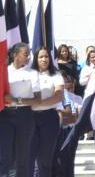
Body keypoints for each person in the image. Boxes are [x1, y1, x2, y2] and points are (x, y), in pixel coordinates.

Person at [0, 43, 46, 177]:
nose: (29, 57)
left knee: (23, 157)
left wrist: (16, 100)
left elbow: (37, 100)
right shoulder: (4, 71)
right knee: (4, 155)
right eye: (25, 54)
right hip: (4, 116)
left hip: (25, 116)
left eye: (29, 54)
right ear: (15, 55)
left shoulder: (32, 73)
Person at [30, 46, 64, 176]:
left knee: (45, 159)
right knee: (28, 157)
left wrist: (38, 102)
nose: (44, 59)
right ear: (35, 59)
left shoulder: (56, 75)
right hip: (30, 119)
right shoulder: (28, 74)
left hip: (49, 118)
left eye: (46, 56)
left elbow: (58, 96)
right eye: (41, 57)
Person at [56, 73, 82, 177]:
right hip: (57, 130)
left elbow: (73, 115)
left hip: (69, 130)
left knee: (69, 160)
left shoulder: (70, 96)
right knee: (59, 161)